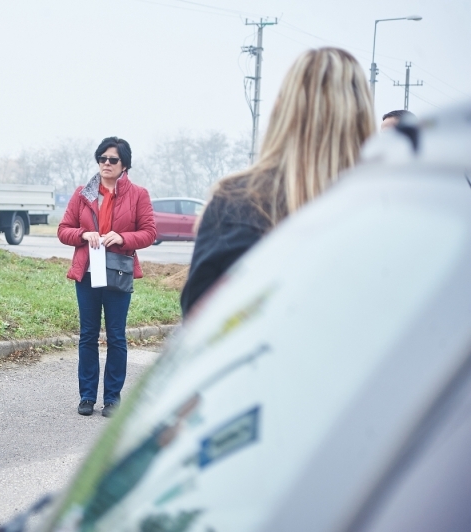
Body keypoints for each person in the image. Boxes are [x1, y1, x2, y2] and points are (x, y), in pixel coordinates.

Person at [180, 47, 376, 318]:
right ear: (363, 116)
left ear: (281, 109)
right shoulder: (391, 208)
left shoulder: (238, 201)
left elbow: (201, 320)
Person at [58, 137, 156, 417]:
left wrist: (123, 237)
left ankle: (112, 399)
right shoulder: (83, 193)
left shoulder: (138, 195)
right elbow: (63, 230)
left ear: (124, 164)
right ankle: (87, 396)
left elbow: (149, 232)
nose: (106, 163)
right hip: (87, 274)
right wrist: (83, 234)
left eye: (113, 159)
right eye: (102, 158)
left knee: (116, 336)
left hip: (118, 271)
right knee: (88, 335)